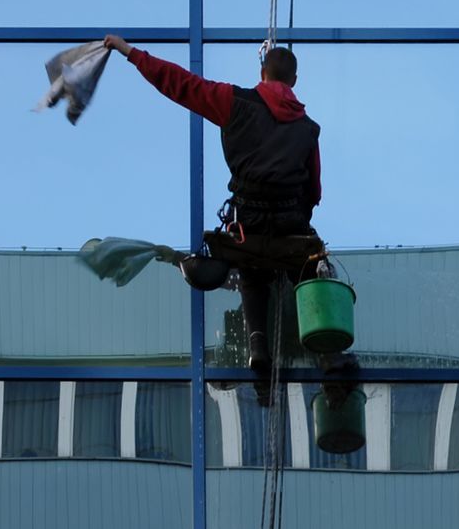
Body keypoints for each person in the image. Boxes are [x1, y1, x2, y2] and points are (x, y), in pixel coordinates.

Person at [103, 35, 357, 406]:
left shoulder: (233, 102)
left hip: (246, 227)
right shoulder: (308, 128)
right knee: (308, 269)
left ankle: (258, 350)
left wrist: (131, 53)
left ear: (261, 73)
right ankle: (328, 355)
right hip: (290, 227)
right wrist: (294, 218)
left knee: (253, 270)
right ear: (295, 80)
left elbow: (178, 84)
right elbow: (314, 190)